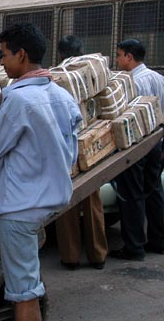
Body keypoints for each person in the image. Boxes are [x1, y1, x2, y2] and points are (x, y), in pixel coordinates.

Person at [0, 23, 82, 321]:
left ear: (21, 55)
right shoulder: (61, 95)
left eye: (5, 55)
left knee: (25, 294)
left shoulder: (19, 99)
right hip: (46, 202)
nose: (2, 62)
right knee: (28, 283)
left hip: (20, 210)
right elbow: (70, 154)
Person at [55, 35, 108, 270]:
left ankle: (71, 256)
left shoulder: (56, 75)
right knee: (92, 200)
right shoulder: (91, 70)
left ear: (61, 55)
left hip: (65, 147)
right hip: (90, 142)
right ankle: (98, 255)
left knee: (67, 202)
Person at [109, 38, 164, 261]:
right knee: (153, 191)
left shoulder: (132, 82)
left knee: (131, 195)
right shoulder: (159, 78)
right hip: (157, 142)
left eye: (120, 55)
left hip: (138, 144)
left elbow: (127, 119)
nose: (117, 59)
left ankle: (134, 247)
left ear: (129, 57)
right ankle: (158, 241)